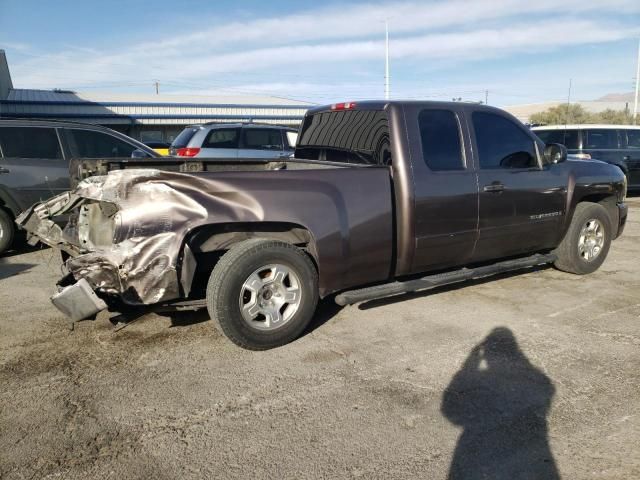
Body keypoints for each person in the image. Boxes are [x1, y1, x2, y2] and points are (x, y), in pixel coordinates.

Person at [441, 327, 559, 480]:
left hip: (481, 451)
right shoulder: (541, 380)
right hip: (533, 455)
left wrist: (469, 365)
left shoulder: (539, 380)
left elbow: (449, 408)